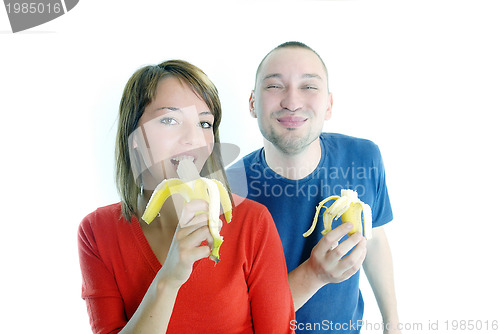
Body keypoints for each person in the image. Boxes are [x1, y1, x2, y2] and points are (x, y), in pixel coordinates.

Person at [78, 60, 295, 334]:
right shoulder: (97, 232)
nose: (193, 138)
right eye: (169, 120)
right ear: (134, 135)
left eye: (204, 123)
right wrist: (169, 278)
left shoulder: (253, 222)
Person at [226, 42, 401, 333]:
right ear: (252, 104)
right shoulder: (227, 192)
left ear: (329, 105)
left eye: (309, 87)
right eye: (274, 86)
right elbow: (237, 315)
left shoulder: (364, 157)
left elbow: (374, 239)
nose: (292, 102)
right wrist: (314, 275)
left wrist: (392, 324)